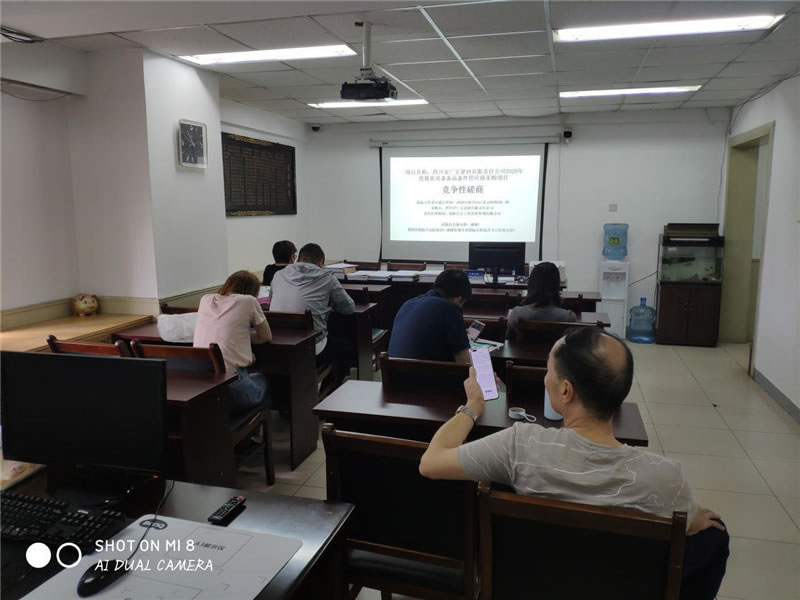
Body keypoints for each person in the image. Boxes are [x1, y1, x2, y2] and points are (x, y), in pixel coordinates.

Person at [419, 327, 729, 600]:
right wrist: (692, 512)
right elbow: (695, 526)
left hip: (535, 586)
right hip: (613, 586)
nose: (545, 378)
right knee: (715, 536)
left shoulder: (519, 446)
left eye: (548, 370)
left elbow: (430, 462)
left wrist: (472, 406)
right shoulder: (666, 478)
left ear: (566, 391)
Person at [269, 242, 356, 383]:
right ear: (321, 262)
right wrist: (328, 306)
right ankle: (328, 388)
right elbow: (349, 308)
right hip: (311, 347)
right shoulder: (327, 277)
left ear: (298, 259)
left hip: (279, 346)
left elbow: (271, 302)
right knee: (347, 348)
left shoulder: (278, 275)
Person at [193, 270, 272, 415]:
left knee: (250, 377)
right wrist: (243, 341)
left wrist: (239, 338)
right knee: (263, 378)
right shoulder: (249, 300)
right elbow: (266, 336)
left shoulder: (205, 299)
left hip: (202, 387)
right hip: (230, 387)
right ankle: (257, 424)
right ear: (253, 291)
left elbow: (220, 333)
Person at [388, 269, 472, 363]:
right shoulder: (450, 308)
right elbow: (465, 364)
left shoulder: (407, 304)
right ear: (458, 300)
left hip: (393, 371)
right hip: (427, 372)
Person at [506, 261, 576, 341]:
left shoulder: (516, 313)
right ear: (556, 285)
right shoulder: (568, 317)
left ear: (531, 284)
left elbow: (508, 342)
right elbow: (571, 345)